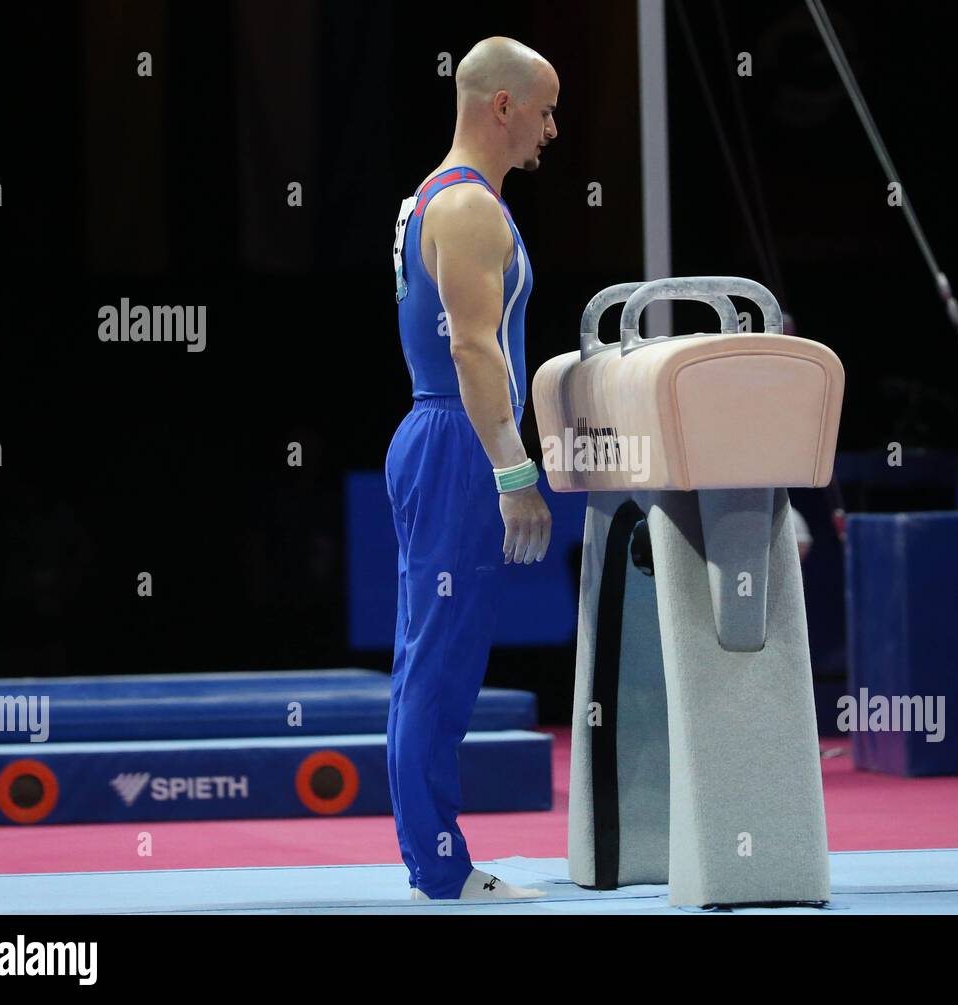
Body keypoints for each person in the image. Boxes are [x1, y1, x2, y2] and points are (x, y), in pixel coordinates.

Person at [385, 37, 558, 901]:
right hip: (457, 439)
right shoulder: (465, 210)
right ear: (502, 106)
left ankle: (434, 859)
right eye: (545, 109)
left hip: (444, 437)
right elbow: (470, 345)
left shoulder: (440, 200)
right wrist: (514, 470)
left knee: (438, 656)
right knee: (439, 662)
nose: (551, 129)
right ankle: (441, 868)